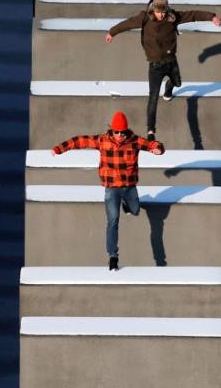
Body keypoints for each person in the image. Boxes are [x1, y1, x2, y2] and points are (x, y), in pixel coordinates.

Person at [51, 111, 165, 271]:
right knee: (113, 221)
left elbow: (154, 144)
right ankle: (113, 256)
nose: (119, 135)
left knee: (136, 210)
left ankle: (127, 204)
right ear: (111, 130)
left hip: (129, 187)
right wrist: (59, 149)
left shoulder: (135, 141)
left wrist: (158, 149)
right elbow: (79, 141)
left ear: (127, 131)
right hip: (111, 189)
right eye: (116, 132)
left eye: (123, 132)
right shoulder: (102, 140)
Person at [105, 0, 221, 141]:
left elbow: (193, 15)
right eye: (158, 12)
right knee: (153, 97)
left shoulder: (172, 17)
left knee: (177, 82)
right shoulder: (144, 18)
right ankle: (150, 131)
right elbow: (127, 24)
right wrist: (112, 32)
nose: (161, 15)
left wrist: (212, 17)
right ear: (153, 10)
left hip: (171, 60)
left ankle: (169, 88)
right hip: (154, 66)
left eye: (163, 12)